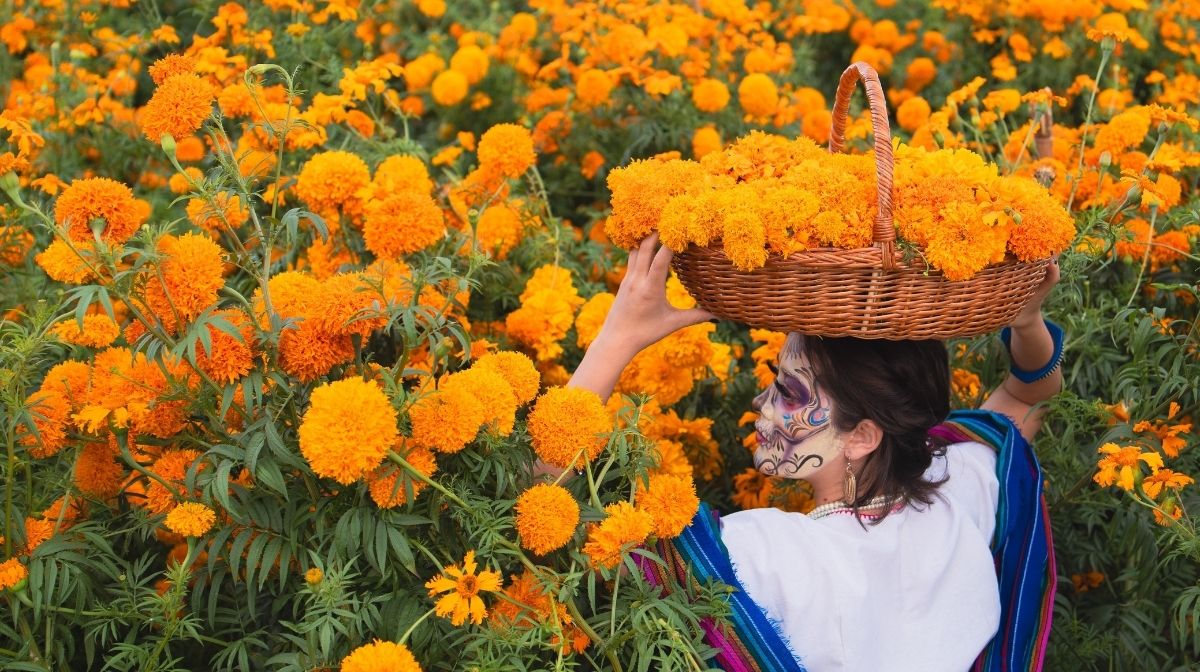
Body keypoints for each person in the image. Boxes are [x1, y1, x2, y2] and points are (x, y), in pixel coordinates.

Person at [562, 233, 1062, 672]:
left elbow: (552, 493)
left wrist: (620, 334)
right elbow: (1029, 393)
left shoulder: (767, 559)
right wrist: (1028, 321)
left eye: (787, 390)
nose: (761, 402)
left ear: (863, 436)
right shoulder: (963, 488)